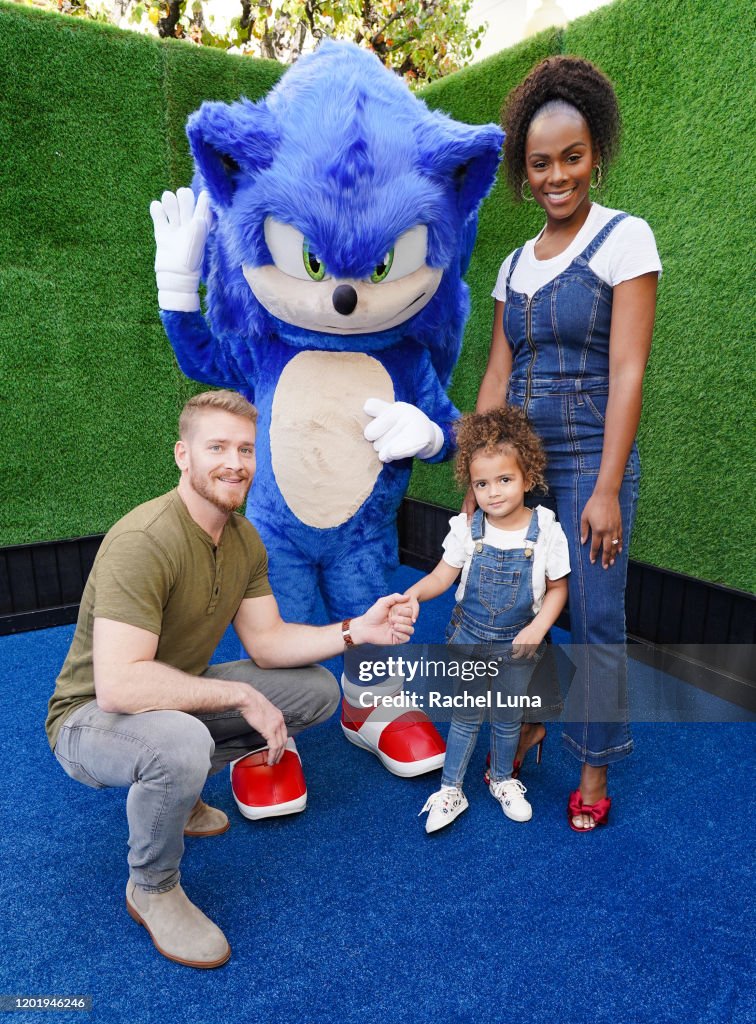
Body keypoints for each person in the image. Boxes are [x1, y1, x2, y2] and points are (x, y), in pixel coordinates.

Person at [45, 389, 414, 969]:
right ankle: (152, 886)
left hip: (169, 694)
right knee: (184, 742)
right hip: (91, 718)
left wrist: (355, 630)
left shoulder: (242, 539)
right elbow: (118, 686)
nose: (234, 462)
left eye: (245, 448)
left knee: (315, 691)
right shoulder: (144, 541)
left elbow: (268, 644)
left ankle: (179, 794)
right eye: (216, 446)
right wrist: (238, 695)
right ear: (182, 455)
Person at [473, 56, 661, 831]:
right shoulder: (514, 264)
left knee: (593, 612)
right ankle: (533, 723)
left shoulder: (626, 238)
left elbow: (627, 370)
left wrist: (609, 486)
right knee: (518, 603)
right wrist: (477, 473)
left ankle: (592, 764)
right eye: (541, 163)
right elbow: (497, 371)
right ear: (525, 169)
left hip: (589, 459)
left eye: (572, 158)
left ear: (596, 154)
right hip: (518, 470)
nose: (557, 176)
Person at [399, 408, 569, 833]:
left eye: (505, 480)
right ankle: (451, 788)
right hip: (469, 638)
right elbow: (443, 574)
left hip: (520, 643)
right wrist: (414, 593)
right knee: (465, 716)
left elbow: (558, 589)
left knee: (509, 716)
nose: (493, 492)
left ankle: (503, 779)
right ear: (472, 486)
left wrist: (536, 629)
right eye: (482, 483)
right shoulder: (467, 529)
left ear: (527, 478)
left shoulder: (546, 529)